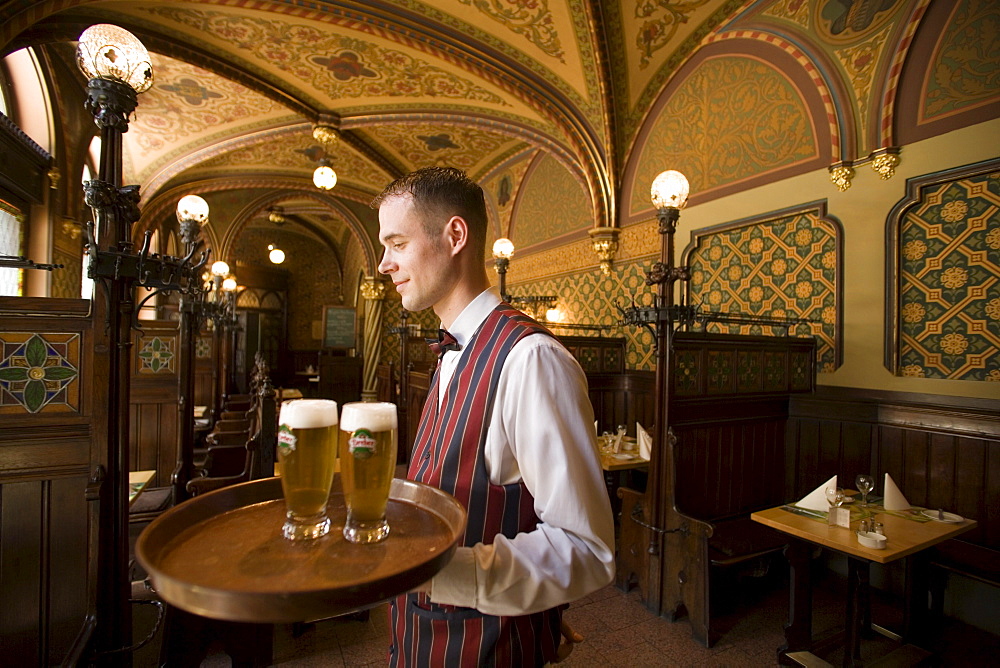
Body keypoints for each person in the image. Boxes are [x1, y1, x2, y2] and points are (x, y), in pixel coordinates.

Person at [373, 167, 615, 667]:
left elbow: (585, 547)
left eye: (396, 243)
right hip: (420, 635)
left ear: (454, 236)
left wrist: (432, 575)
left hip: (484, 651)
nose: (383, 264)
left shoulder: (531, 359)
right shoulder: (451, 350)